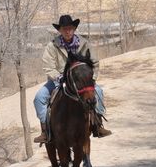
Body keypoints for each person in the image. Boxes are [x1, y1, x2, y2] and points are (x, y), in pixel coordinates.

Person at [33, 14, 112, 144]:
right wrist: (59, 78)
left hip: (82, 81)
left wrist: (91, 79)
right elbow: (48, 66)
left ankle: (98, 125)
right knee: (39, 98)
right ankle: (45, 130)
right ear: (60, 30)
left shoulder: (84, 44)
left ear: (74, 29)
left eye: (70, 28)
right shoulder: (52, 46)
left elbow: (95, 63)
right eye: (64, 29)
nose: (68, 31)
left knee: (98, 92)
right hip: (58, 81)